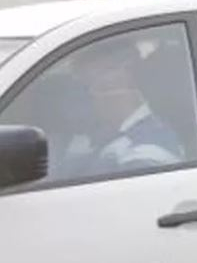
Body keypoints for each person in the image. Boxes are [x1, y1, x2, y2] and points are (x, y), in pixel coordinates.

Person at [72, 38, 185, 175]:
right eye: (85, 84)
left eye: (92, 81)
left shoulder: (146, 148)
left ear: (128, 73)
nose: (88, 95)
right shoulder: (95, 136)